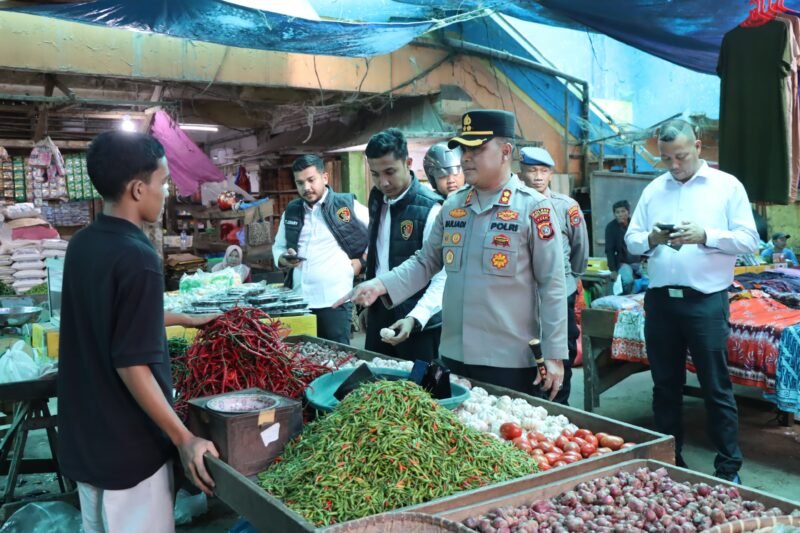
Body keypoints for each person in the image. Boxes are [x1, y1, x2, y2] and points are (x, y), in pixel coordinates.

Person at [338, 110, 568, 399]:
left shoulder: (534, 209)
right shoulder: (454, 206)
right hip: (454, 354)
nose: (466, 157)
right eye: (464, 149)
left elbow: (553, 285)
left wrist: (555, 353)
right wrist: (379, 285)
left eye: (478, 149)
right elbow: (426, 261)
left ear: (506, 152)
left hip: (509, 358)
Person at [58, 131, 218, 533]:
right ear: (137, 189)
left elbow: (108, 317)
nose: (164, 193)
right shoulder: (139, 259)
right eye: (162, 183)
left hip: (87, 443)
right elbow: (132, 365)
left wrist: (183, 318)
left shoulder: (82, 245)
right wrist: (184, 439)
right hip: (128, 454)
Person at [625, 119, 758, 483]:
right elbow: (632, 240)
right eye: (666, 158)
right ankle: (670, 462)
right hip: (661, 303)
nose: (674, 165)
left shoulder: (726, 187)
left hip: (706, 303)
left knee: (716, 388)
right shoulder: (654, 189)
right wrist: (651, 238)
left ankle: (728, 469)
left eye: (680, 156)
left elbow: (749, 240)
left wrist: (705, 235)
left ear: (698, 147)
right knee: (664, 386)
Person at [361, 129, 445, 361]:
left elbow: (442, 276)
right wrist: (370, 306)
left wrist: (416, 317)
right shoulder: (377, 199)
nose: (383, 182)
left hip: (419, 322)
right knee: (375, 388)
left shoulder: (432, 208)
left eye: (390, 172)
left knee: (419, 392)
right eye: (375, 174)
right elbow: (378, 258)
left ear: (408, 163)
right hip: (380, 312)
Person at [273, 154, 369, 345]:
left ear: (324, 178)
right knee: (303, 358)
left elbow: (378, 235)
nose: (306, 187)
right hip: (299, 302)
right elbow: (278, 246)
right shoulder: (292, 211)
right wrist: (282, 259)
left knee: (337, 357)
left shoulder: (346, 205)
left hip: (335, 300)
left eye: (311, 180)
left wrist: (361, 261)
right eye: (300, 183)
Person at [519, 146, 588, 405]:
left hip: (561, 295)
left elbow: (580, 252)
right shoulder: (513, 206)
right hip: (524, 297)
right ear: (520, 173)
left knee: (562, 352)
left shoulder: (566, 207)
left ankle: (561, 406)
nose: (538, 177)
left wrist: (567, 281)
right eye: (532, 170)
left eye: (543, 171)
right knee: (526, 357)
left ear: (551, 175)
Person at [605, 200, 642, 294]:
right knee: (628, 280)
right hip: (623, 262)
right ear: (614, 214)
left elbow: (643, 241)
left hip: (639, 261)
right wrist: (613, 270)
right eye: (617, 212)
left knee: (649, 279)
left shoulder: (635, 225)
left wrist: (646, 259)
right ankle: (627, 302)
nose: (620, 214)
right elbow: (609, 250)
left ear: (628, 212)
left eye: (623, 211)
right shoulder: (611, 227)